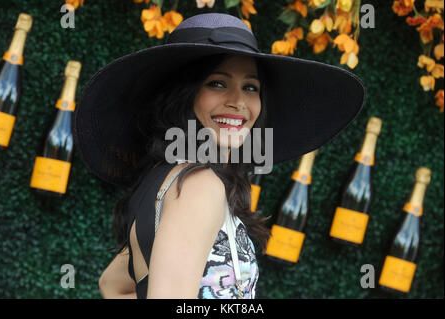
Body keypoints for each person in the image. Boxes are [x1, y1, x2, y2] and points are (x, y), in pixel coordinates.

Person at [73, 13, 365, 299]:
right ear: (184, 94)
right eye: (217, 83)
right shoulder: (199, 186)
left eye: (250, 87)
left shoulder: (168, 179)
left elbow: (115, 286)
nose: (238, 102)